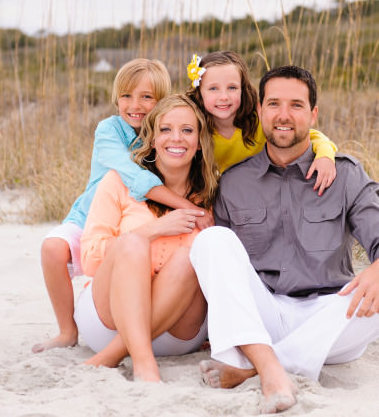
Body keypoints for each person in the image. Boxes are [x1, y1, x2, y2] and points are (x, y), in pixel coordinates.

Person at [189, 65, 379, 413]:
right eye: (274, 104)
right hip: (263, 313)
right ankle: (274, 365)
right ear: (259, 111)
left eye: (296, 105)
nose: (284, 116)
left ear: (313, 114)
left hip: (328, 316)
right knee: (211, 241)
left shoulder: (344, 174)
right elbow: (225, 275)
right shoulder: (234, 182)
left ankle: (257, 366)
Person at [34, 59, 209, 353]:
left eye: (147, 97)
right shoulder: (109, 130)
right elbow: (134, 177)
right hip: (89, 214)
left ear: (161, 102)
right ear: (116, 100)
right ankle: (67, 330)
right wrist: (186, 207)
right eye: (126, 96)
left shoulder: (165, 132)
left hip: (131, 216)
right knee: (53, 248)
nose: (135, 105)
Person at [74, 94, 217, 381]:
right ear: (152, 139)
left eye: (187, 130)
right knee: (132, 242)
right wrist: (154, 230)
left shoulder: (213, 195)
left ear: (200, 141)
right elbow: (89, 260)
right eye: (165, 129)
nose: (176, 138)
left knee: (194, 255)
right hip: (108, 323)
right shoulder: (118, 182)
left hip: (177, 333)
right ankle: (143, 364)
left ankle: (116, 354)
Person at [185, 51, 339, 190]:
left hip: (264, 193)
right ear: (200, 92)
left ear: (243, 89)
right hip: (220, 199)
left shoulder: (257, 122)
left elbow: (308, 136)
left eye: (232, 87)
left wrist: (325, 155)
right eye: (213, 88)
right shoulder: (195, 128)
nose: (224, 96)